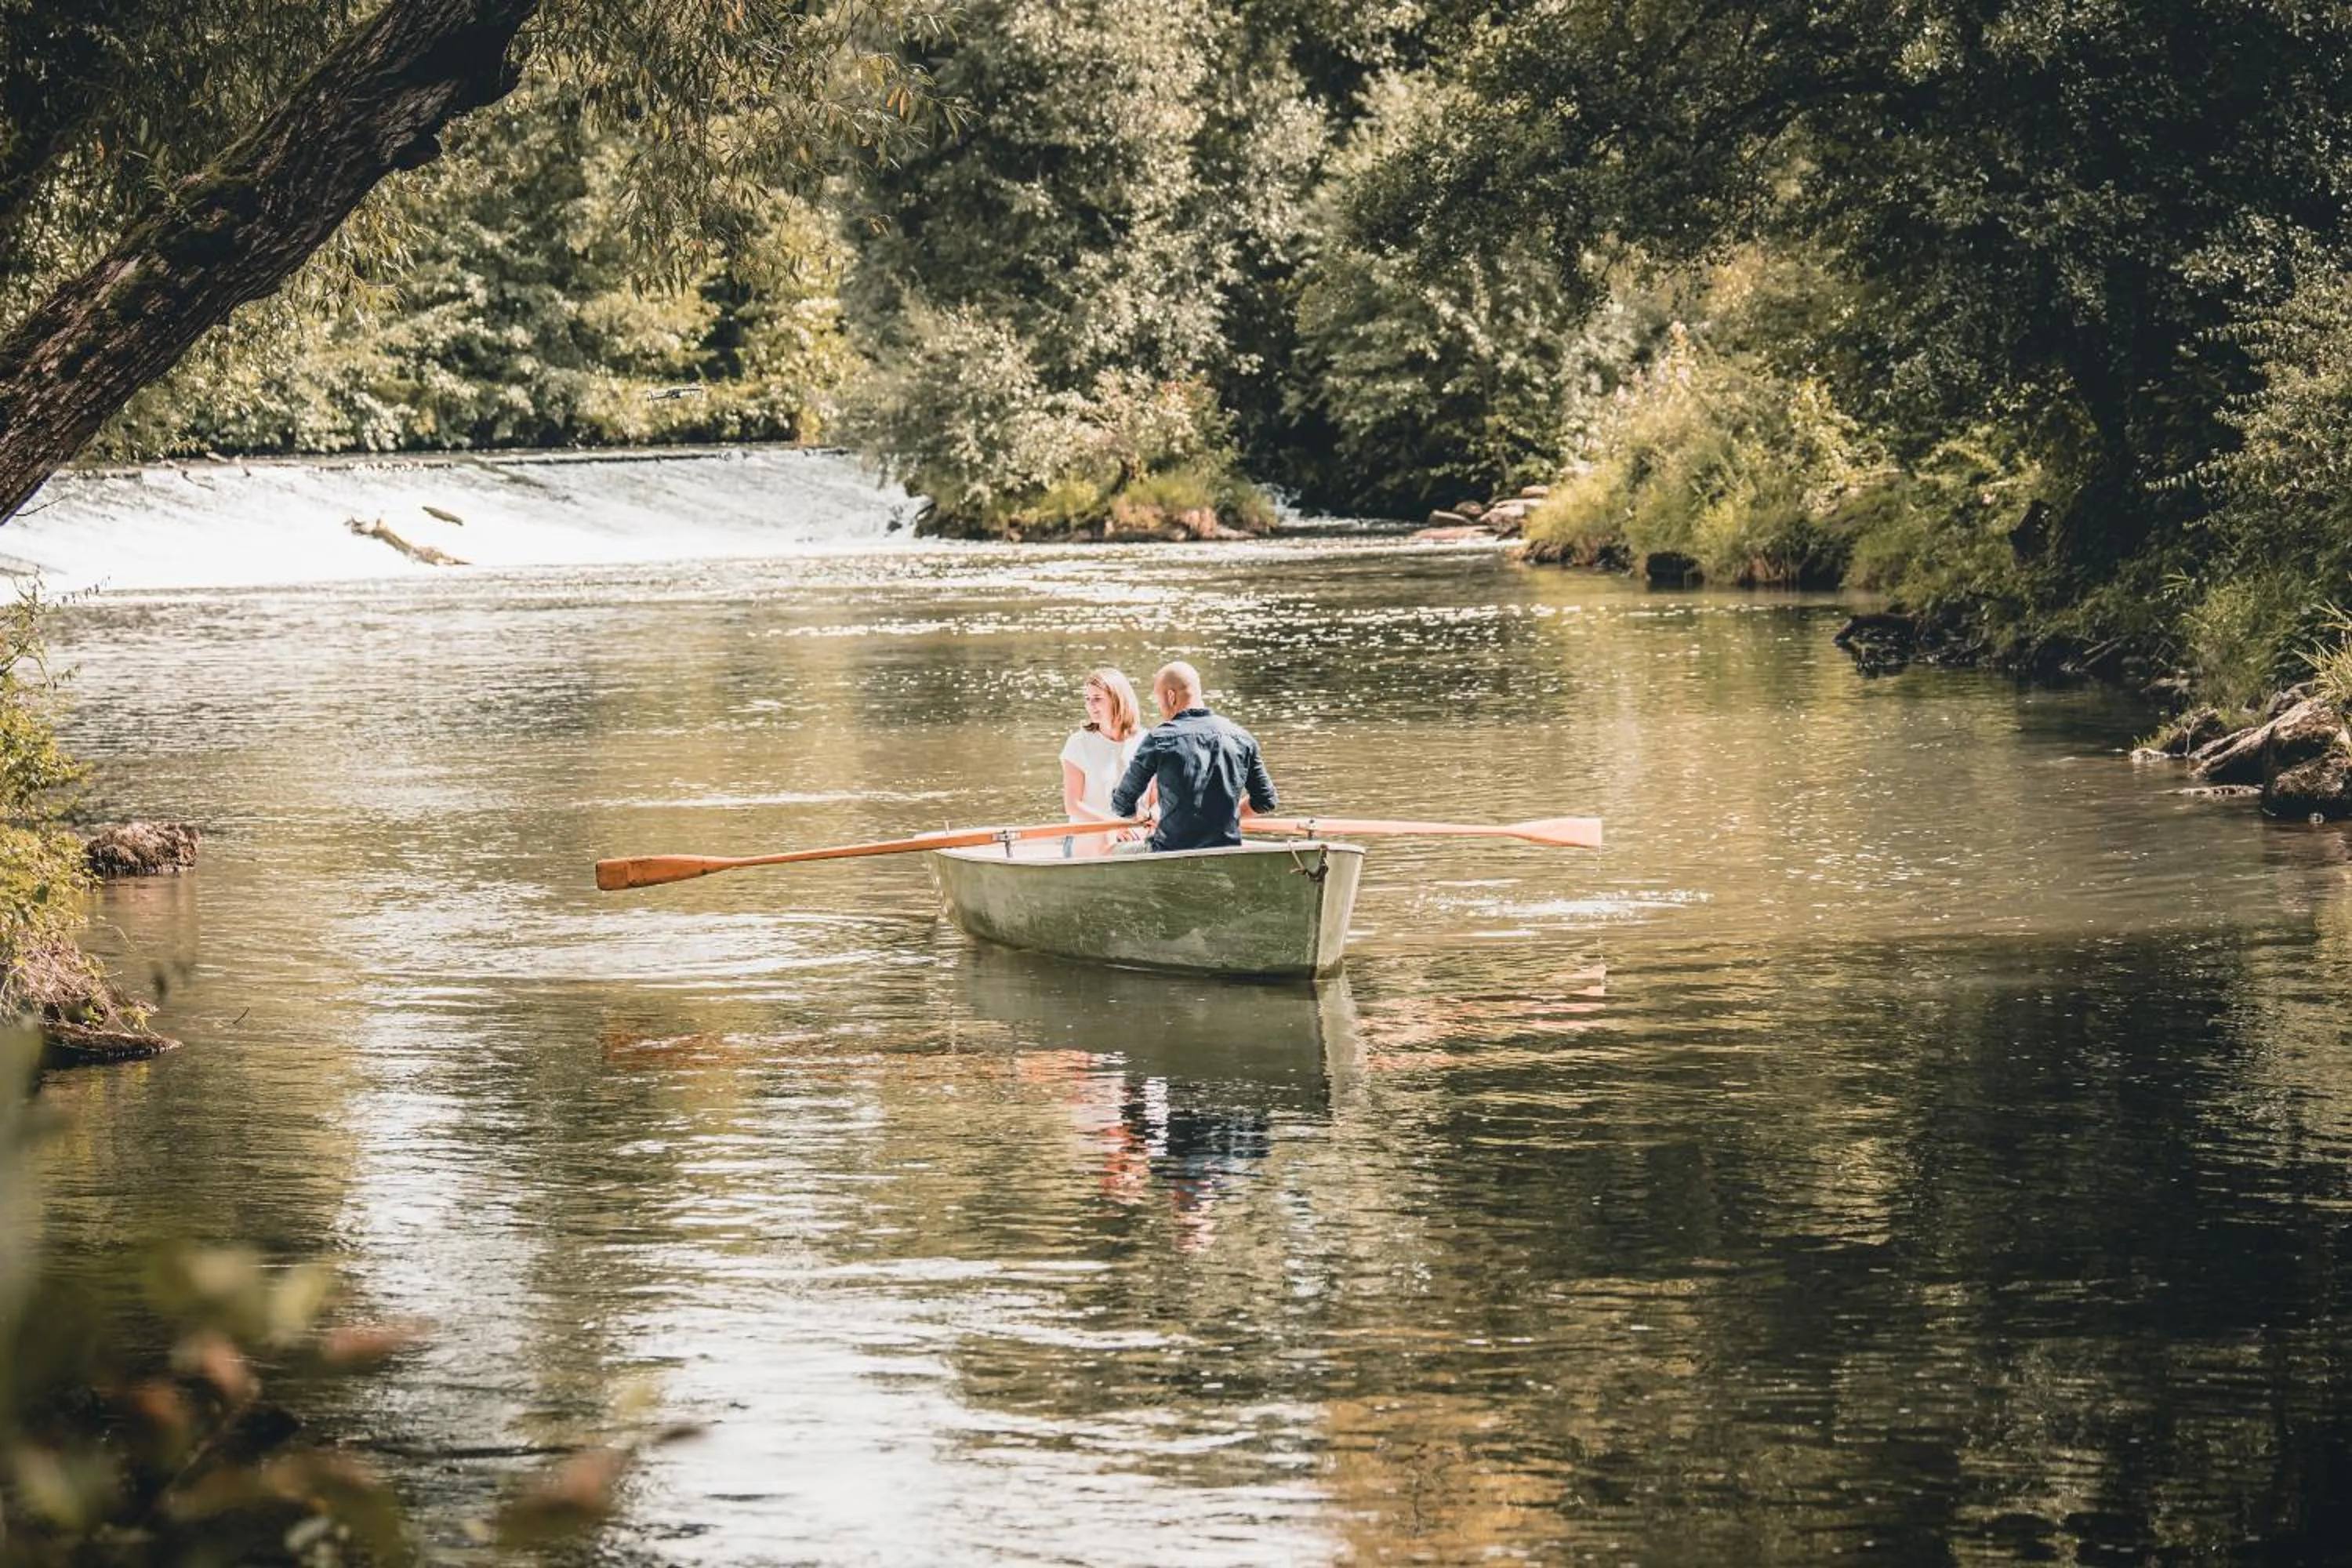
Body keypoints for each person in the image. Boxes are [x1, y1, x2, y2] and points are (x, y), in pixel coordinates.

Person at [1109, 661, 1277, 852]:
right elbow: (1266, 800)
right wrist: (1227, 816)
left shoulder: (1160, 738)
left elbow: (1122, 804)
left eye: (1158, 700)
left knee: (1110, 852)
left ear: (1171, 697)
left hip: (1169, 851)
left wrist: (1147, 817)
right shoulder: (1241, 738)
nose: (1160, 707)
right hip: (1226, 852)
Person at [1060, 667, 1146, 855]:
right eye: (1088, 699)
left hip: (1133, 832)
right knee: (1105, 835)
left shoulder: (1144, 741)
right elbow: (1073, 806)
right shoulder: (1078, 743)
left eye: (1097, 699)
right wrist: (1114, 825)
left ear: (1118, 699)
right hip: (1089, 835)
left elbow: (1156, 800)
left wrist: (1149, 818)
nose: (1091, 705)